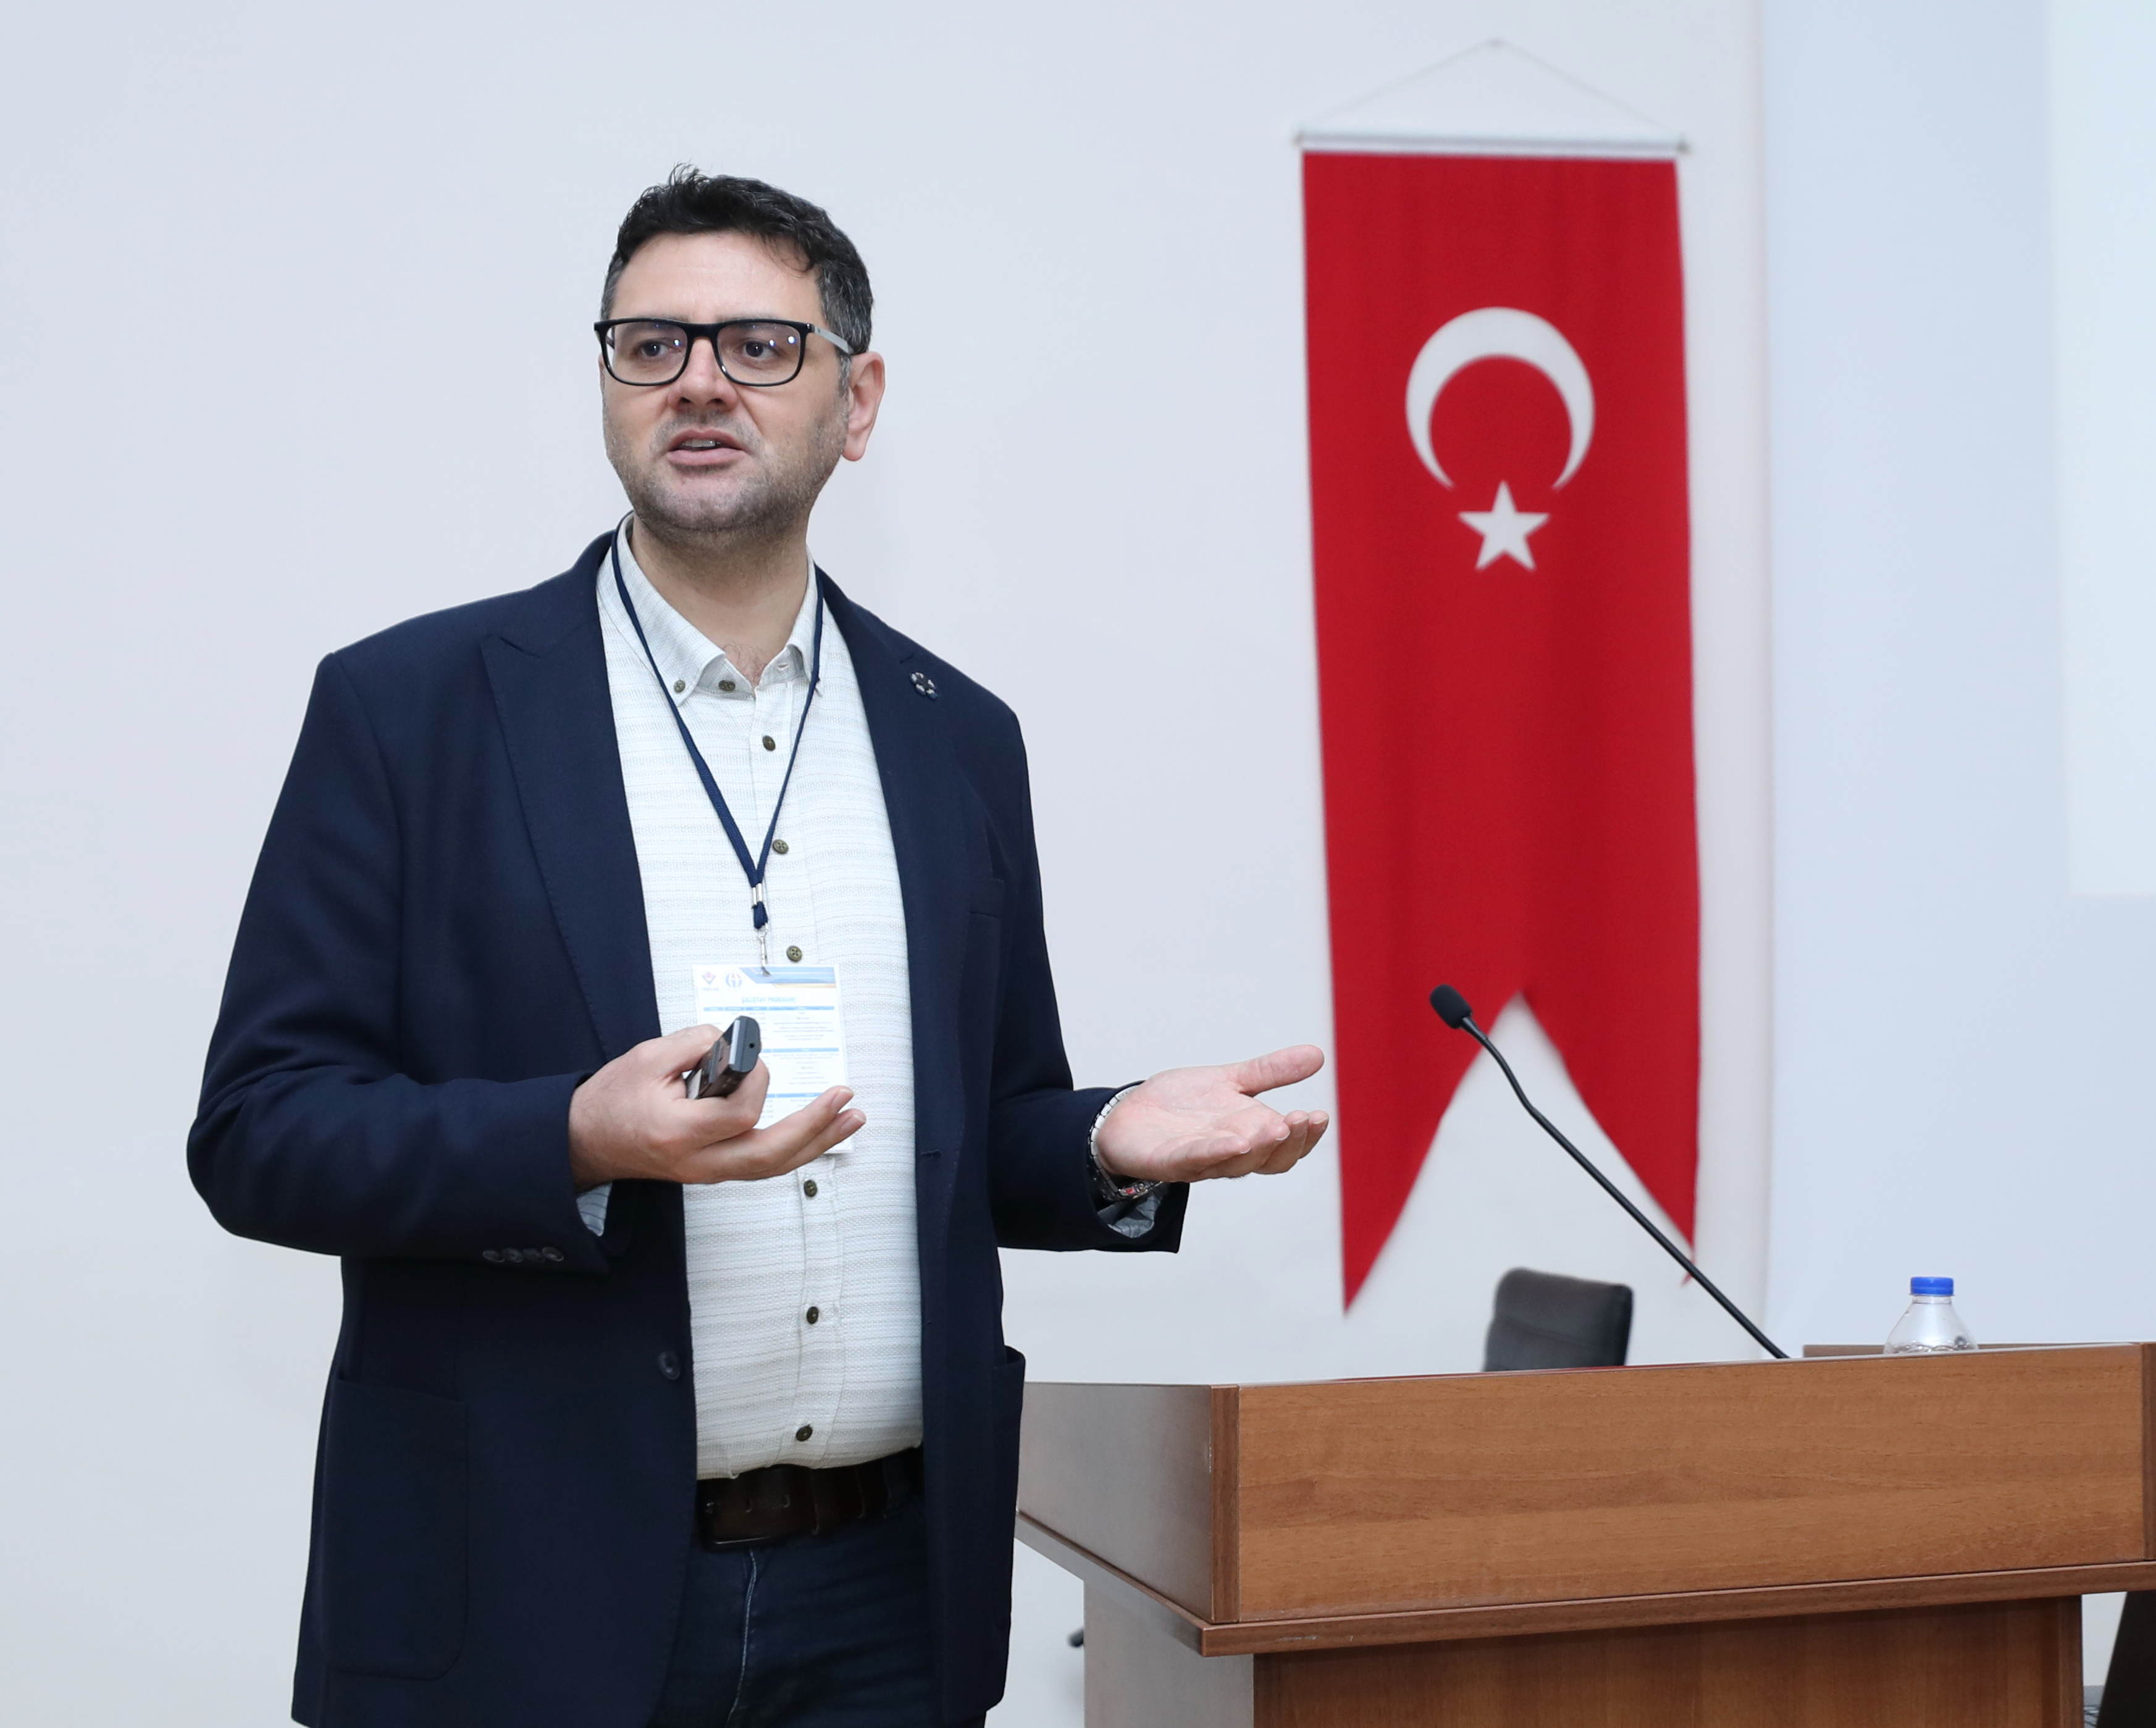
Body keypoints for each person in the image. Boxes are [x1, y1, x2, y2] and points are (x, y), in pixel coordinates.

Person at [188, 166, 1329, 1728]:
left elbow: (972, 1133)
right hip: (526, 1589)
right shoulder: (412, 710)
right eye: (650, 344)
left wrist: (1103, 1139)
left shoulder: (954, 737)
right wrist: (572, 1136)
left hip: (882, 1601)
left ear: (857, 401)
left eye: (759, 345)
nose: (700, 381)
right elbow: (260, 1132)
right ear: (608, 384)